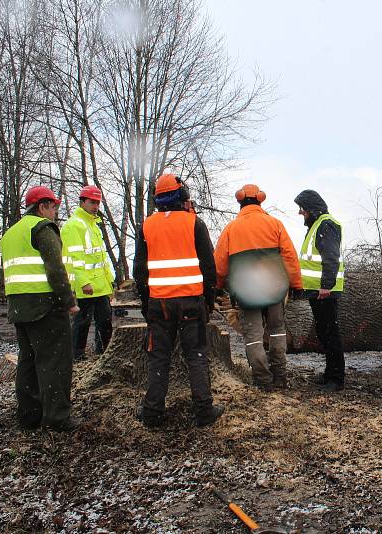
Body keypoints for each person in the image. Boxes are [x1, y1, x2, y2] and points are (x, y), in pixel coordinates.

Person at [133, 173, 224, 428]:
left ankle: (152, 413)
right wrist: (209, 299)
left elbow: (139, 272)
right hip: (191, 302)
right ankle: (204, 411)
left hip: (159, 303)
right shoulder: (195, 224)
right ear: (181, 196)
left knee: (159, 357)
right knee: (195, 355)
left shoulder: (147, 226)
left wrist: (145, 302)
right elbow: (209, 267)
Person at [0, 185, 81, 431]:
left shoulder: (11, 233)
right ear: (42, 206)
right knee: (54, 362)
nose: (55, 212)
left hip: (19, 307)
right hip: (45, 306)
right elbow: (55, 268)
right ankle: (57, 418)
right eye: (53, 207)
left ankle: (28, 415)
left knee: (28, 362)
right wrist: (69, 301)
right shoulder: (42, 228)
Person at [214, 184, 302, 391]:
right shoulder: (275, 224)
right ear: (260, 200)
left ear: (240, 202)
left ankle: (263, 380)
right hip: (274, 287)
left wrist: (217, 287)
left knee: (253, 336)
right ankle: (280, 376)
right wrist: (296, 284)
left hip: (246, 291)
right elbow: (290, 257)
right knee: (277, 330)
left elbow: (219, 264)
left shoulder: (230, 229)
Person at [293, 190, 346, 392]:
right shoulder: (317, 224)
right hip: (317, 291)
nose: (301, 213)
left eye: (303, 209)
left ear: (312, 208)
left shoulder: (326, 224)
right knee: (324, 333)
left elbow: (330, 257)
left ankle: (336, 379)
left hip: (325, 291)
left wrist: (326, 285)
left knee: (331, 334)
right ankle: (329, 374)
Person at [61, 185, 115, 361]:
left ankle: (104, 355)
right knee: (82, 322)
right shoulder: (73, 226)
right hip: (86, 285)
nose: (96, 206)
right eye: (92, 202)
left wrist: (110, 282)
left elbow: (101, 257)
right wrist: (83, 282)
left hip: (100, 284)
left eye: (98, 203)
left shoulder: (94, 225)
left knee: (105, 321)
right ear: (82, 202)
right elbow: (74, 257)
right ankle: (77, 356)